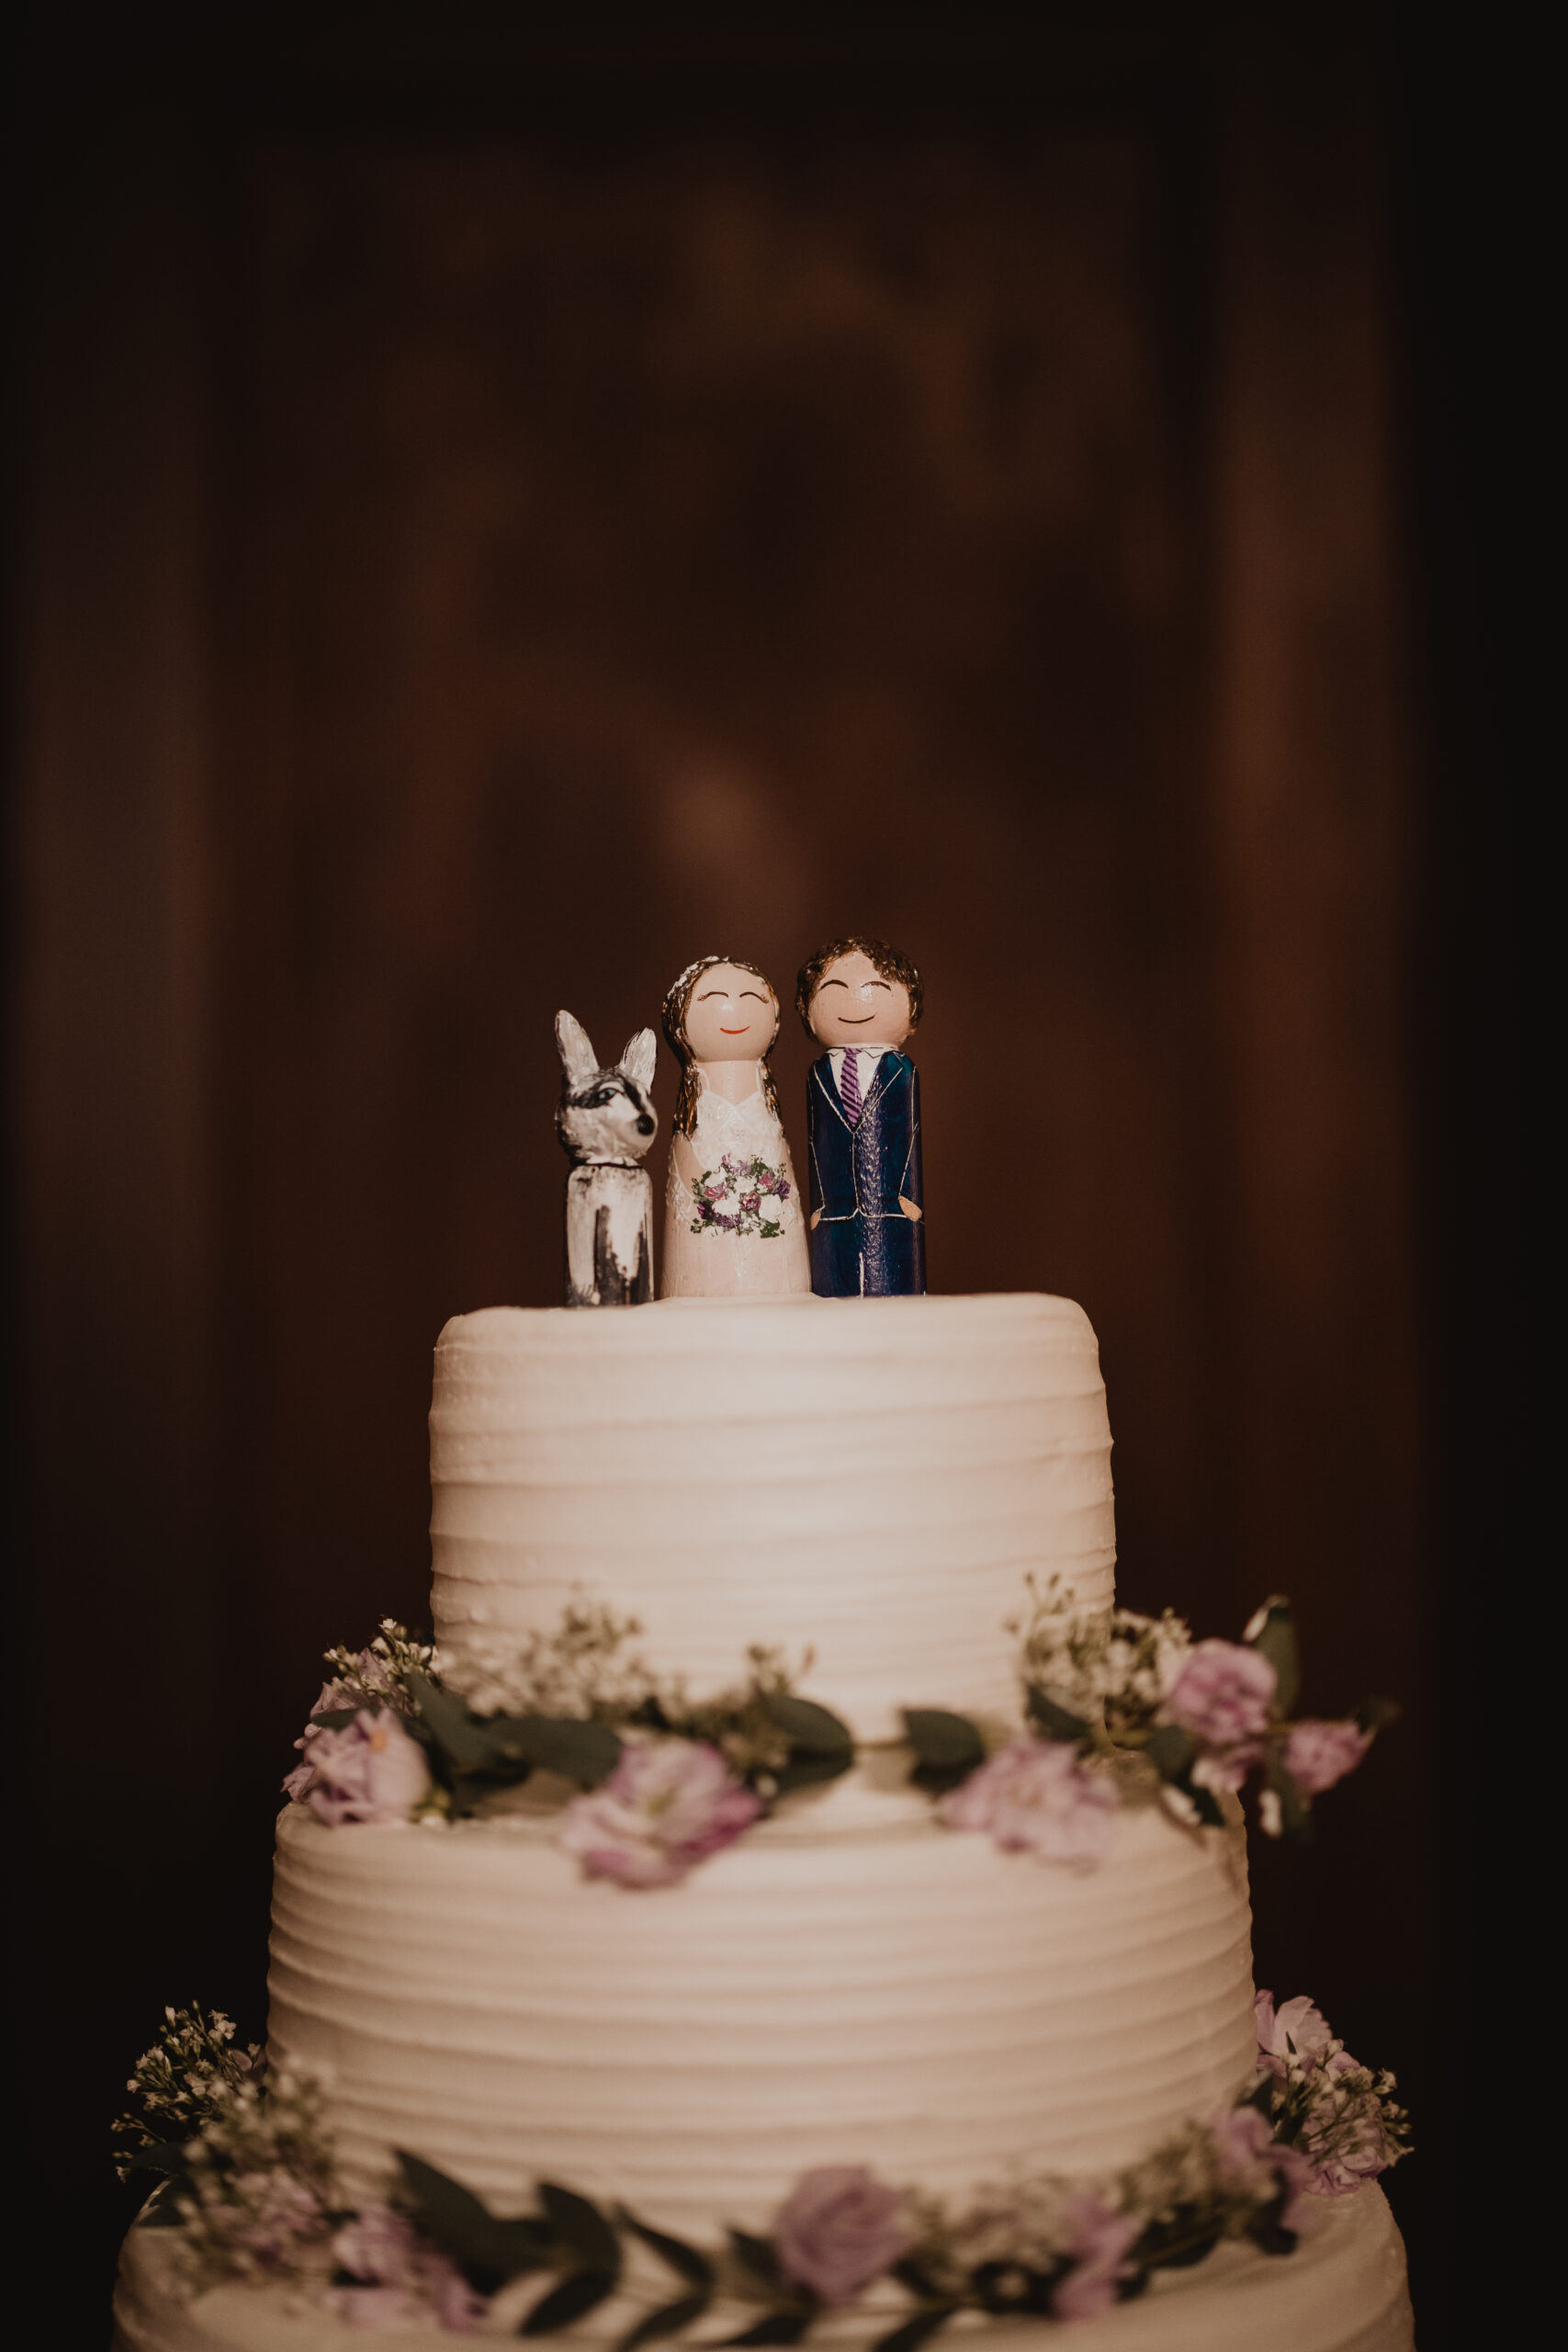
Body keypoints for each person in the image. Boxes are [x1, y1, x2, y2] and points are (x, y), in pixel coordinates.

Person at [659, 956, 812, 1298]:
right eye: (713, 1001)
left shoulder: (763, 1095)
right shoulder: (694, 1107)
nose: (734, 1010)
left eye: (752, 1000)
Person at [795, 935, 925, 1298]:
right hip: (833, 1213)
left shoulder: (902, 1070)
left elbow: (910, 1134)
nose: (853, 1001)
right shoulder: (818, 1073)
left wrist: (906, 1195)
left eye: (875, 988)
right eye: (835, 989)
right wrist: (819, 1203)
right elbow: (813, 1141)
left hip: (892, 1208)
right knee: (837, 1286)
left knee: (895, 1281)